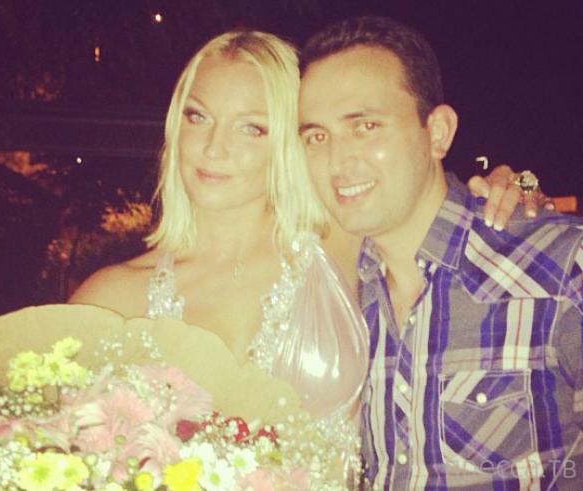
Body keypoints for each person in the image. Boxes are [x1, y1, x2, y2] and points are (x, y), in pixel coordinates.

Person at [70, 28, 539, 486]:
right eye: (198, 116)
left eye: (251, 128)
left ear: (289, 141)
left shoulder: (343, 240)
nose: (214, 147)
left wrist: (514, 185)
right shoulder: (111, 298)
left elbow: (427, 199)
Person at [298, 15, 583, 489]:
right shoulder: (334, 296)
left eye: (366, 126)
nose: (337, 161)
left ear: (438, 133)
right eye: (317, 137)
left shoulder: (556, 266)